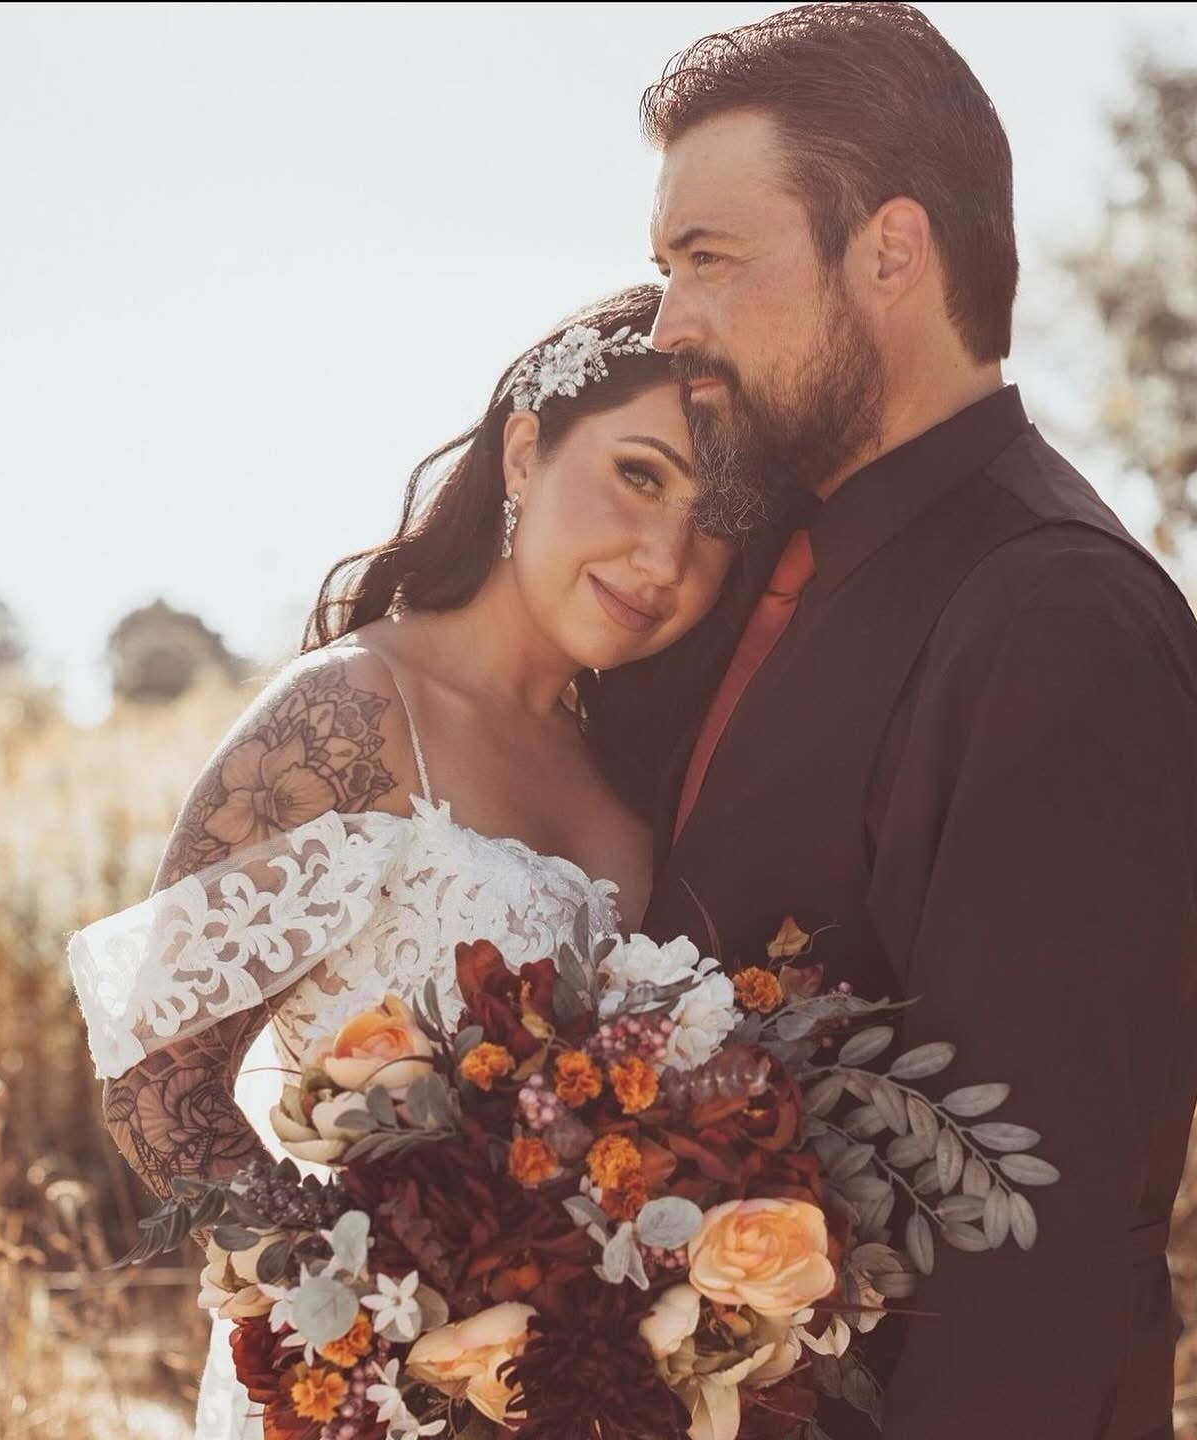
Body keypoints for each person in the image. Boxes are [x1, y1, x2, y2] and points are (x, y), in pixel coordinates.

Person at [613, 6, 1197, 1438]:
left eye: (709, 259)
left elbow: (1033, 1236)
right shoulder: (748, 564)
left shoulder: (1059, 617)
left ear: (890, 251)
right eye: (663, 268)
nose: (668, 323)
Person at [67, 283, 759, 1440]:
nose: (663, 554)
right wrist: (374, 1322)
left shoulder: (636, 793)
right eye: (640, 475)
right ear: (527, 451)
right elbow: (159, 1076)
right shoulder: (352, 715)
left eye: (718, 519)